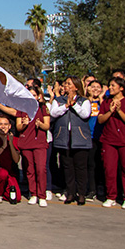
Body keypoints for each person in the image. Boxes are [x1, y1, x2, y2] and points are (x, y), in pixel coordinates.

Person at [0, 86, 50, 207]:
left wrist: (40, 124)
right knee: (29, 170)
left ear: (39, 96)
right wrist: (24, 124)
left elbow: (47, 125)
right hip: (26, 142)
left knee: (41, 169)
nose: (32, 97)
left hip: (39, 143)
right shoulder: (22, 108)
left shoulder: (43, 108)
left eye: (34, 95)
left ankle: (42, 195)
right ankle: (34, 194)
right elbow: (19, 127)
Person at [49, 77, 92, 205]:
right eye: (65, 84)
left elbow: (85, 114)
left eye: (69, 84)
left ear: (76, 87)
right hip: (64, 138)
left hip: (79, 139)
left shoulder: (84, 101)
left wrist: (74, 105)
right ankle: (70, 192)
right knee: (67, 167)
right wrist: (66, 105)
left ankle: (81, 193)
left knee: (81, 167)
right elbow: (54, 113)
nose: (66, 86)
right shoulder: (58, 100)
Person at [98, 77, 125, 209]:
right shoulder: (106, 102)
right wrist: (110, 111)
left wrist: (119, 111)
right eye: (109, 85)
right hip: (109, 140)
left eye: (113, 85)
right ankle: (111, 196)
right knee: (109, 169)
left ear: (121, 88)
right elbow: (101, 120)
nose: (110, 87)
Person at [85, 79, 105, 200]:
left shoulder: (105, 102)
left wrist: (101, 99)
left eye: (98, 87)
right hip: (89, 136)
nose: (95, 89)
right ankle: (91, 189)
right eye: (93, 87)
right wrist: (90, 98)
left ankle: (102, 186)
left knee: (101, 164)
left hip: (102, 136)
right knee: (90, 164)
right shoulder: (86, 101)